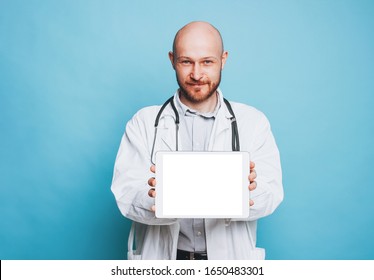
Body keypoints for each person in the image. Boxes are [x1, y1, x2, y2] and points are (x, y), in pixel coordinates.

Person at [111, 21, 283, 260]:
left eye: (207, 62)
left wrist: (245, 193)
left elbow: (270, 195)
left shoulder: (252, 122)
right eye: (186, 61)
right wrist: (158, 197)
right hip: (164, 260)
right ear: (172, 60)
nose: (197, 74)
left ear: (223, 60)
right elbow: (126, 195)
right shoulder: (144, 122)